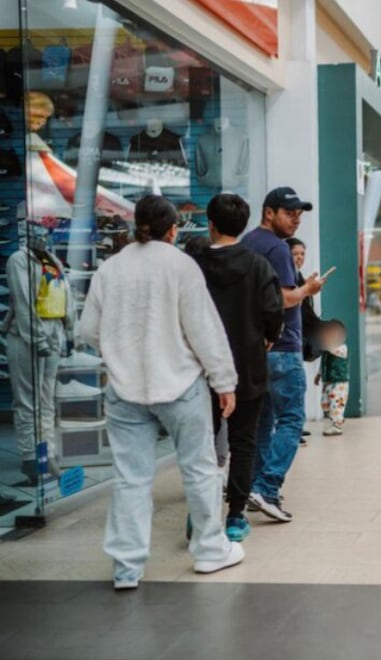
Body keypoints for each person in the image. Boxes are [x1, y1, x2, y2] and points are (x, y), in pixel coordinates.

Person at [77, 195, 243, 589]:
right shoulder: (181, 266)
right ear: (173, 229)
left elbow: (87, 331)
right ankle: (209, 551)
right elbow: (203, 329)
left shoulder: (110, 268)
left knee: (130, 478)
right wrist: (224, 381)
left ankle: (126, 568)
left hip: (124, 388)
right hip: (181, 384)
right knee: (199, 468)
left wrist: (118, 353)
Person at [192, 193, 285, 542]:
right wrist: (268, 336)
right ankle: (234, 516)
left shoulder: (194, 264)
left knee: (201, 444)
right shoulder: (259, 264)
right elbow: (273, 310)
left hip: (200, 368)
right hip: (247, 365)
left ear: (210, 223)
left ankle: (200, 511)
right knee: (243, 442)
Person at [240, 187, 325, 523]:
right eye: (290, 213)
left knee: (263, 423)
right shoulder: (277, 249)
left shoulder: (247, 243)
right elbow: (285, 299)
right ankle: (267, 487)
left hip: (252, 348)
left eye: (299, 215)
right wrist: (309, 289)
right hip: (283, 346)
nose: (296, 220)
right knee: (291, 420)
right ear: (269, 212)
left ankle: (254, 489)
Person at [3, 220, 76, 485]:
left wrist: (69, 332)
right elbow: (23, 301)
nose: (42, 234)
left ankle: (48, 455)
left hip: (53, 332)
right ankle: (30, 458)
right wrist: (36, 337)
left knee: (46, 400)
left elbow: (65, 296)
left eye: (46, 229)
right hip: (26, 337)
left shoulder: (51, 259)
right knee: (27, 400)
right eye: (36, 228)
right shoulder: (17, 260)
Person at [286, 236, 321, 442]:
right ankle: (291, 428)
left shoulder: (299, 278)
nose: (299, 258)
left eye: (302, 254)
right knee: (293, 386)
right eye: (295, 254)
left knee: (298, 386)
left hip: (298, 339)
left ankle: (295, 426)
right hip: (289, 342)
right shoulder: (288, 280)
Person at [315, 319, 350, 436]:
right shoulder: (326, 351)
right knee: (325, 402)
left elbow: (331, 350)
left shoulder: (341, 348)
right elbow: (323, 363)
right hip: (328, 380)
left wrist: (324, 343)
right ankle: (336, 419)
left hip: (339, 382)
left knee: (336, 403)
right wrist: (319, 374)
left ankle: (337, 425)